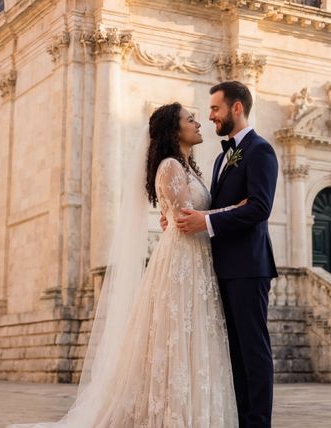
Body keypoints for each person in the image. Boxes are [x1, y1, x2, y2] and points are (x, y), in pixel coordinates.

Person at [12, 101, 246, 427]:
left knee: (191, 339)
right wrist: (235, 211)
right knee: (177, 337)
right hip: (182, 262)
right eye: (189, 119)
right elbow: (182, 218)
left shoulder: (188, 167)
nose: (198, 123)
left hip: (197, 261)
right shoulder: (170, 167)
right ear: (173, 129)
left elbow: (182, 214)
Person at [176, 81, 279, 428]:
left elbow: (259, 208)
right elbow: (221, 207)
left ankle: (258, 422)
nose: (210, 116)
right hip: (220, 268)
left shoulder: (261, 150)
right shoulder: (222, 156)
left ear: (237, 108)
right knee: (232, 351)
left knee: (253, 350)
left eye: (216, 109)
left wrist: (207, 220)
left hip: (249, 267)